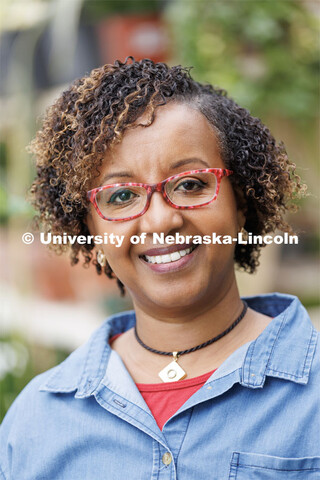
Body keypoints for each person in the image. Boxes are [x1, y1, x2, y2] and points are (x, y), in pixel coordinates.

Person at [1, 57, 319, 479]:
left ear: (240, 203)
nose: (159, 220)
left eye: (190, 184)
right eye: (120, 196)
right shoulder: (36, 422)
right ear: (89, 229)